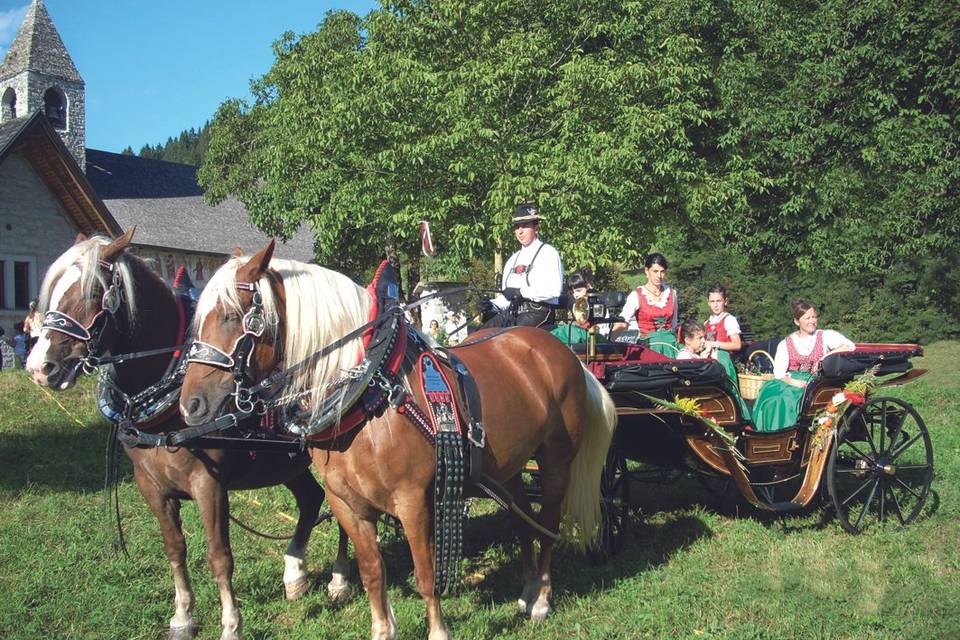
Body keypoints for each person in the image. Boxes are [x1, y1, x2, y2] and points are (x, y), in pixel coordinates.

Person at [752, 299, 855, 432]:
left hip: (815, 382)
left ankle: (787, 435)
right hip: (791, 380)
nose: (812, 321)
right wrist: (793, 381)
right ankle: (769, 435)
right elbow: (779, 372)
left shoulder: (824, 336)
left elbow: (849, 346)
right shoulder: (787, 343)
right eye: (807, 318)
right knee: (772, 399)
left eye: (814, 317)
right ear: (797, 321)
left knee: (784, 400)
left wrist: (827, 356)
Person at [483, 202, 564, 328]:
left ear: (536, 228)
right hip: (511, 314)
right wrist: (491, 305)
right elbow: (506, 298)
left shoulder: (548, 253)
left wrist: (520, 292)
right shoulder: (512, 260)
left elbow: (553, 290)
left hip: (538, 314)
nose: (520, 231)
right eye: (517, 227)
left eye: (525, 226)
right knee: (479, 336)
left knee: (510, 337)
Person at [613, 253, 679, 355]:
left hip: (671, 347)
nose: (659, 276)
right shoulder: (636, 295)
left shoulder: (672, 294)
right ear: (647, 271)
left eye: (662, 272)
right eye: (655, 271)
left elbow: (674, 323)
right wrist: (609, 341)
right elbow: (622, 322)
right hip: (648, 347)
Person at [703, 284, 742, 354]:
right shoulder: (706, 323)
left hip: (725, 361)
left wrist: (714, 344)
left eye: (718, 301)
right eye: (712, 301)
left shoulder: (729, 320)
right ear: (708, 302)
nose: (715, 305)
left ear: (725, 301)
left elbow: (737, 345)